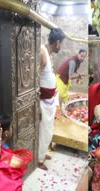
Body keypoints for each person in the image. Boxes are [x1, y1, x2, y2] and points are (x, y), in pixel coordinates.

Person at [38, 28, 65, 170]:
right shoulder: (42, 52)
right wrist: (36, 105)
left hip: (50, 100)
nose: (62, 47)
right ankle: (39, 159)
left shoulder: (48, 53)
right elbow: (34, 79)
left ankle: (42, 153)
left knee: (48, 130)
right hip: (42, 101)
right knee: (43, 131)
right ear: (58, 42)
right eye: (62, 44)